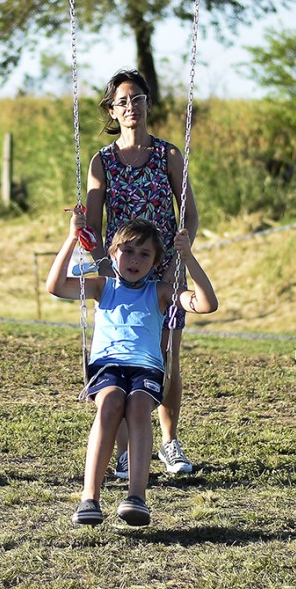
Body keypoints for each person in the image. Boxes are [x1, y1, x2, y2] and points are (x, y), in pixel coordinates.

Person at [46, 214, 217, 526]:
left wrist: (188, 257)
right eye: (128, 250)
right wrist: (72, 238)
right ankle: (90, 498)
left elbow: (207, 304)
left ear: (155, 263)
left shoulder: (162, 292)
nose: (135, 259)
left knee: (138, 408)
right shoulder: (102, 287)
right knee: (110, 403)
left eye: (145, 254)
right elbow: (56, 286)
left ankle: (136, 497)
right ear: (113, 255)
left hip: (147, 370)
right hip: (107, 367)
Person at [82, 69, 200, 479]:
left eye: (137, 99)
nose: (130, 107)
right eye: (121, 102)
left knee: (166, 358)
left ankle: (169, 442)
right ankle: (128, 452)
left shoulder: (168, 154)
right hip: (121, 273)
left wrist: (176, 263)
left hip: (164, 272)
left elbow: (190, 215)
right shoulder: (103, 160)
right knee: (122, 358)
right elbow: (93, 227)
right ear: (112, 110)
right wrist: (106, 270)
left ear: (148, 103)